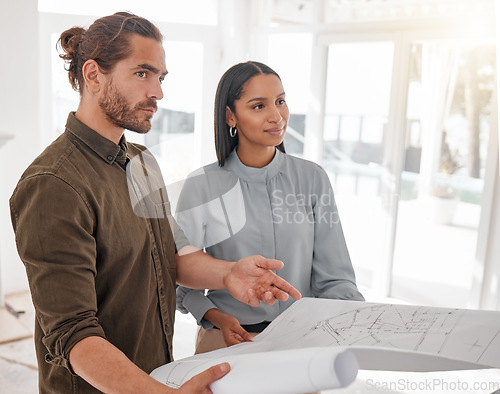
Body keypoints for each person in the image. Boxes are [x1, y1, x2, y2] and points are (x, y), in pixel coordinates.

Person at [9, 13, 301, 393]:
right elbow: (73, 335)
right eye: (143, 73)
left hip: (156, 373)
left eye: (160, 78)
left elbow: (170, 256)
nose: (158, 93)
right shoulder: (54, 184)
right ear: (94, 75)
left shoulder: (141, 161)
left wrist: (228, 274)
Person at [176, 61, 364, 354]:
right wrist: (218, 318)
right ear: (230, 116)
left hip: (301, 343)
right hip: (226, 341)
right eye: (258, 106)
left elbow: (336, 278)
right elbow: (183, 282)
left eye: (280, 101)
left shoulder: (312, 178)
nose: (277, 116)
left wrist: (353, 323)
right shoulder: (202, 186)